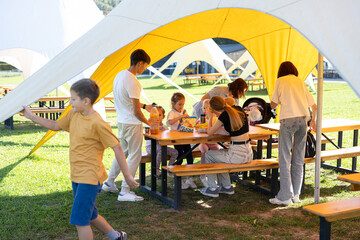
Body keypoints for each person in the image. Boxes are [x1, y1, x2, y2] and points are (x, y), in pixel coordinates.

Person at [20, 78, 138, 240]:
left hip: (89, 177)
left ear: (86, 101)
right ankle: (117, 236)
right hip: (77, 175)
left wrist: (127, 176)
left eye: (73, 99)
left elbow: (117, 147)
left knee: (80, 220)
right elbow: (55, 125)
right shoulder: (74, 114)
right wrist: (31, 116)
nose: (70, 102)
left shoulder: (98, 123)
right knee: (90, 215)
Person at [102, 49, 153, 202]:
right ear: (140, 63)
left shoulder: (119, 76)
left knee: (122, 154)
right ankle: (125, 190)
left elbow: (128, 101)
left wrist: (145, 107)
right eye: (145, 66)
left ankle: (109, 183)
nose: (144, 69)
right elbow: (136, 111)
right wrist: (149, 122)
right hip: (132, 123)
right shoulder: (134, 82)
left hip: (122, 122)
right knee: (135, 155)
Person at [269, 61, 317, 205]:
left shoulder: (280, 81)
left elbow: (273, 104)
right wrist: (313, 121)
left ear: (281, 71)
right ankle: (295, 194)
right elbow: (314, 105)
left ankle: (284, 196)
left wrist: (274, 105)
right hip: (303, 120)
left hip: (288, 119)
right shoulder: (300, 82)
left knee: (284, 158)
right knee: (298, 158)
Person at [200, 96, 253, 198]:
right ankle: (227, 187)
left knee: (209, 155)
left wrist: (210, 116)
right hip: (248, 153)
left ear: (214, 109)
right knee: (219, 155)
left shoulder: (224, 115)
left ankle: (212, 188)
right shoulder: (238, 109)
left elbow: (210, 132)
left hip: (237, 155)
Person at [167, 92, 197, 189]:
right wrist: (180, 117)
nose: (181, 106)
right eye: (179, 104)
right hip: (176, 139)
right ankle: (178, 179)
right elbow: (169, 123)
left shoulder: (184, 111)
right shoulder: (172, 113)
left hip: (185, 137)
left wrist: (189, 121)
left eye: (183, 104)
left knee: (189, 156)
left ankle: (189, 178)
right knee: (179, 156)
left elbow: (187, 124)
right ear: (173, 103)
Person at [145, 106, 178, 176]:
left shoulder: (165, 127)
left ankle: (169, 169)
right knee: (161, 151)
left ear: (163, 116)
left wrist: (164, 130)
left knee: (175, 152)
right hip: (151, 147)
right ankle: (156, 170)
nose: (157, 117)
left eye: (159, 115)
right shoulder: (150, 125)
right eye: (155, 115)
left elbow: (168, 137)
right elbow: (151, 137)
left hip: (162, 147)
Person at [197, 99, 220, 187]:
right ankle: (203, 175)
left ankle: (214, 174)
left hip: (213, 142)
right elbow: (198, 130)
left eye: (209, 108)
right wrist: (198, 125)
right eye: (205, 108)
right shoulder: (201, 119)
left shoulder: (215, 119)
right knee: (205, 150)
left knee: (217, 151)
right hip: (203, 142)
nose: (206, 110)